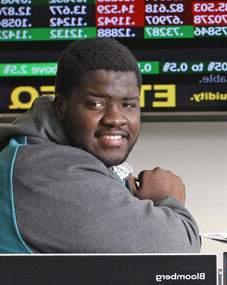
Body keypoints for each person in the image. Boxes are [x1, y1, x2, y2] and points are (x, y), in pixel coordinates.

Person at [0, 38, 201, 252]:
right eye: (96, 104)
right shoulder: (43, 170)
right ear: (60, 107)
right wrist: (167, 198)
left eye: (129, 104)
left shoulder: (54, 152)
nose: (116, 118)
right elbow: (178, 250)